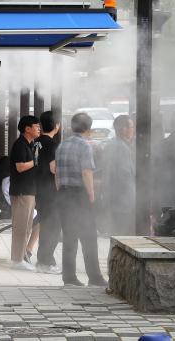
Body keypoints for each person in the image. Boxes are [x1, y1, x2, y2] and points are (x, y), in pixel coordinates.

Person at [55, 112, 108, 287]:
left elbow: (57, 172)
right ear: (89, 128)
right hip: (79, 195)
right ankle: (94, 277)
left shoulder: (62, 145)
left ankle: (69, 277)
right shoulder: (85, 146)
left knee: (69, 236)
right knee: (89, 236)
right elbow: (87, 172)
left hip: (63, 194)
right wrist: (91, 193)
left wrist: (60, 189)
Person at [9, 115, 40, 271]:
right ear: (27, 129)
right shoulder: (20, 145)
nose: (38, 128)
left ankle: (21, 257)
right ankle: (16, 260)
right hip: (21, 192)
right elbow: (20, 167)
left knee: (27, 227)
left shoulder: (30, 144)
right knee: (20, 227)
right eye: (36, 126)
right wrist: (35, 161)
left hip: (29, 191)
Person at [35, 111, 62, 273]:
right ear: (56, 125)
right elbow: (54, 168)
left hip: (37, 189)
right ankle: (46, 262)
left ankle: (42, 260)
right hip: (50, 190)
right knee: (53, 226)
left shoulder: (35, 142)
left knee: (45, 225)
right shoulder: (52, 144)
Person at [101, 115, 135, 235]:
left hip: (113, 200)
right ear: (123, 129)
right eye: (131, 126)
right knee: (123, 236)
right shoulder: (122, 148)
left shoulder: (111, 145)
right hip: (123, 202)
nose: (133, 129)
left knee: (116, 235)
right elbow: (124, 176)